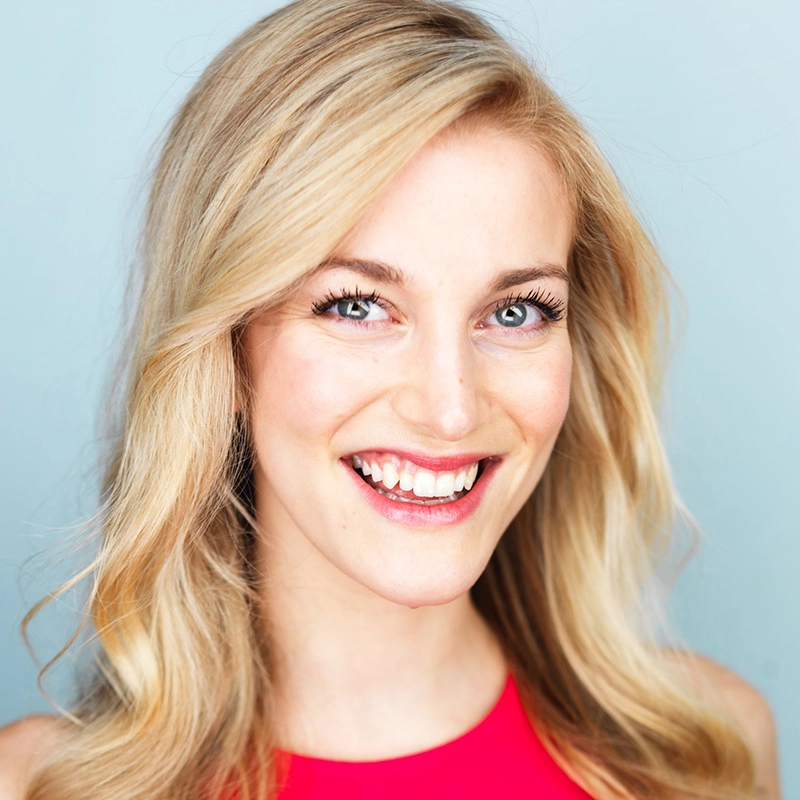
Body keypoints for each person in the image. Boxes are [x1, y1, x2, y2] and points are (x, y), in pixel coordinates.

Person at [0, 1, 781, 798]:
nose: (451, 410)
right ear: (227, 353)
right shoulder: (34, 786)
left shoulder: (706, 755)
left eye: (516, 312)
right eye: (356, 306)